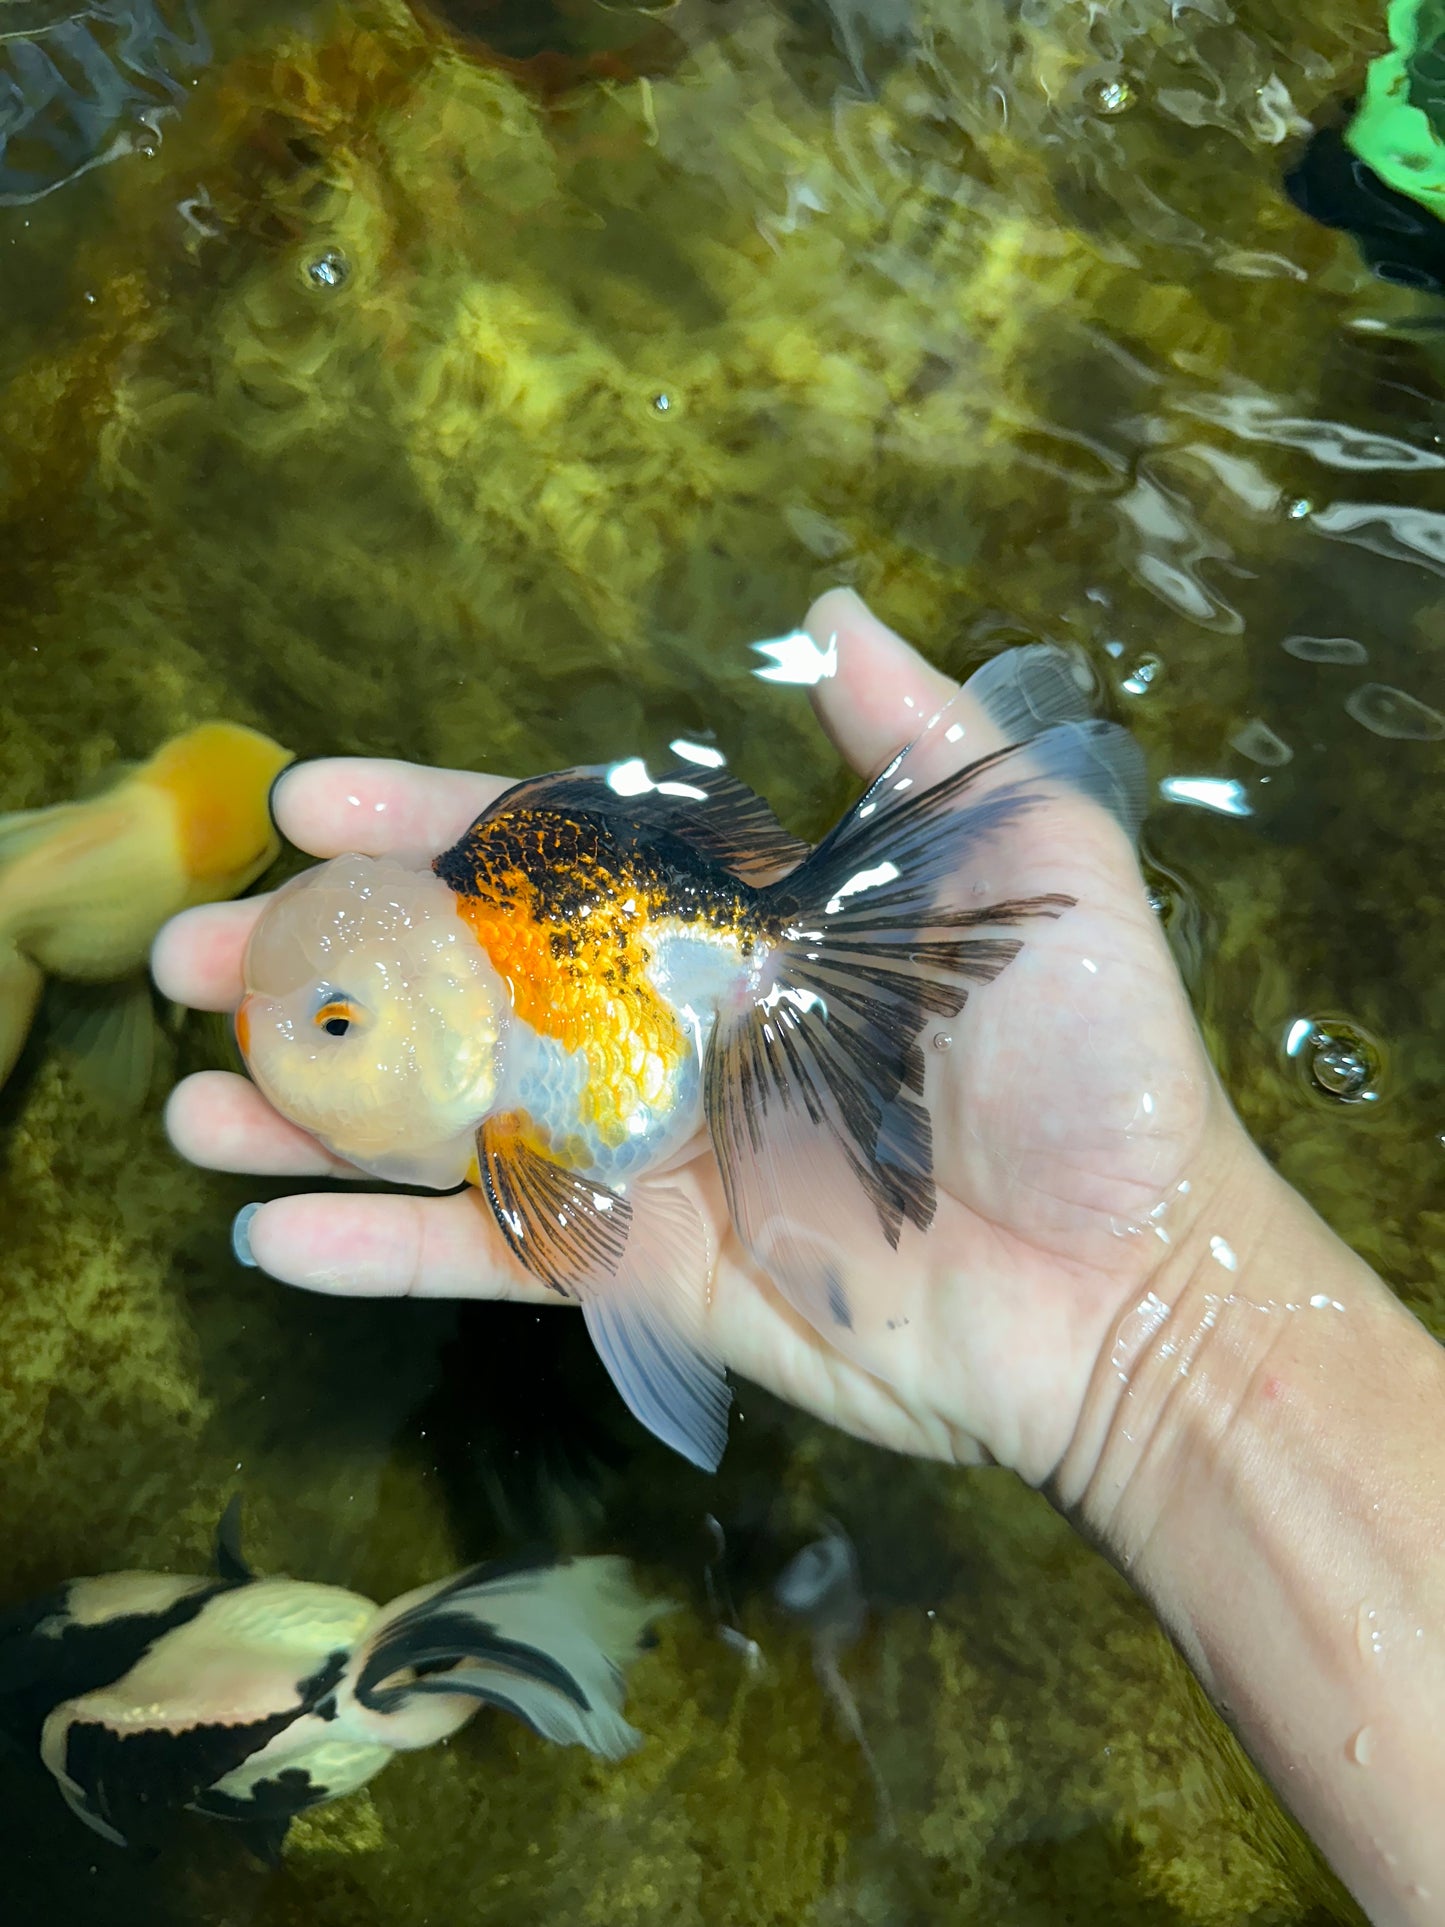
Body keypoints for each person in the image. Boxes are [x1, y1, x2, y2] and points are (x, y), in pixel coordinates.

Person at [153, 589, 1445, 1926]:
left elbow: (609, 1246)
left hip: (708, 944)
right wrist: (1157, 1332)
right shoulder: (501, 1097)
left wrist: (1152, 1302)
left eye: (339, 1025)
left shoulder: (530, 1127)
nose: (286, 1040)